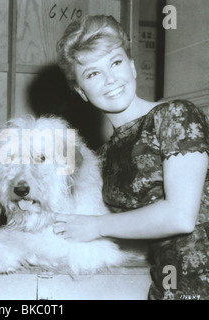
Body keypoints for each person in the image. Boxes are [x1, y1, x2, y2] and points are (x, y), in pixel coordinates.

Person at [54, 14, 209, 300]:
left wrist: (94, 227)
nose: (110, 79)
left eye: (116, 62)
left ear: (133, 66)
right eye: (92, 73)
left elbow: (180, 216)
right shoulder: (102, 155)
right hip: (165, 288)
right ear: (80, 91)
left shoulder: (175, 117)